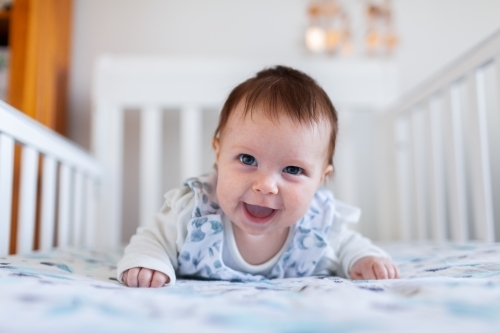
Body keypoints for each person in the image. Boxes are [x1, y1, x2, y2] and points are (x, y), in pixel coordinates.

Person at [117, 65, 399, 288]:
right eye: (247, 160)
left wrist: (364, 259)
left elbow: (349, 244)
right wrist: (149, 262)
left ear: (321, 179)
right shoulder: (196, 213)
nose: (265, 185)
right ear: (217, 152)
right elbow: (152, 239)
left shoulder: (319, 224)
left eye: (292, 170)